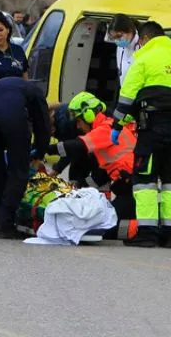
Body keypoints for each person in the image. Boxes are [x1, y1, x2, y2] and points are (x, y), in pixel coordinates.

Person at [111, 21, 171, 249]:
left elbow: (128, 95)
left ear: (143, 39)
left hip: (154, 128)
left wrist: (116, 125)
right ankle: (170, 233)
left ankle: (147, 232)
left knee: (144, 179)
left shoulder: (143, 59)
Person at [54, 91, 138, 240]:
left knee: (106, 228)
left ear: (88, 115)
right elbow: (101, 175)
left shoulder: (106, 128)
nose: (78, 126)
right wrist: (79, 186)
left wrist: (43, 149)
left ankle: (146, 229)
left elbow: (78, 146)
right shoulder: (107, 127)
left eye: (79, 121)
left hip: (133, 188)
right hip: (128, 187)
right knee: (105, 221)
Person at [0, 76, 51, 239]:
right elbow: (43, 126)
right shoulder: (37, 94)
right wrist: (38, 153)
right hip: (11, 114)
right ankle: (4, 223)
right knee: (18, 171)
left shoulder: (6, 85)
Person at [109, 14, 140, 88]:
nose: (117, 40)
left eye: (119, 36)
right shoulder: (120, 47)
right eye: (113, 38)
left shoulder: (143, 45)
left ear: (130, 30)